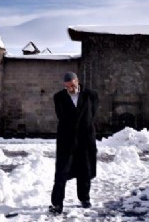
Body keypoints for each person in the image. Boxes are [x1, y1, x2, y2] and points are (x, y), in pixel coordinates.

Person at [49, 72, 99, 215]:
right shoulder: (59, 97)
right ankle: (57, 203)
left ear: (77, 81)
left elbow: (92, 114)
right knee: (61, 172)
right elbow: (61, 117)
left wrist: (84, 126)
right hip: (67, 139)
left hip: (85, 138)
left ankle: (84, 198)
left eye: (71, 85)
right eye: (67, 86)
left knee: (85, 169)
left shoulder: (91, 95)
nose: (70, 88)